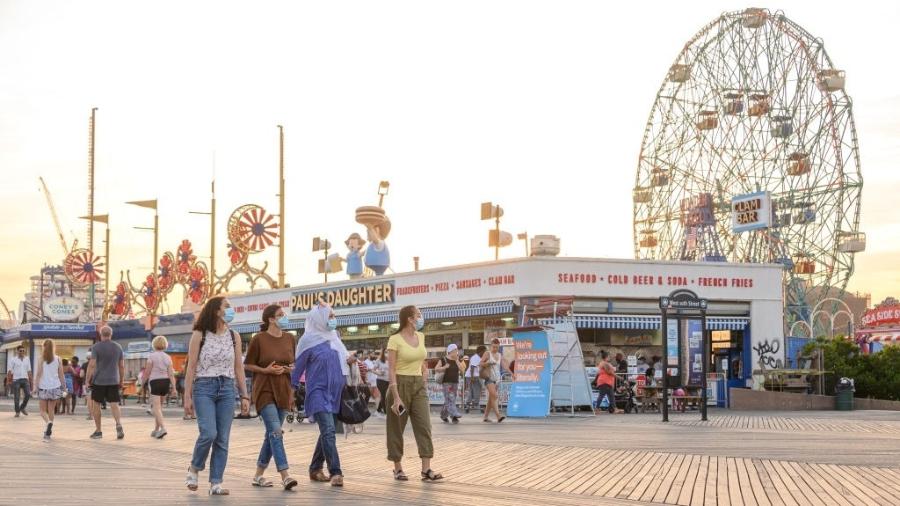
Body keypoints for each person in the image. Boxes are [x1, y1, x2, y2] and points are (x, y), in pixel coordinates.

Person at [184, 296, 251, 496]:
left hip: (227, 388)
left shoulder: (234, 336)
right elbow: (191, 367)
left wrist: (245, 396)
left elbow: (239, 367)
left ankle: (216, 482)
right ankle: (194, 468)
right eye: (227, 307)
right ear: (216, 310)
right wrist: (187, 396)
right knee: (209, 433)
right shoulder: (199, 334)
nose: (231, 310)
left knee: (222, 438)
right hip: (204, 386)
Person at [291, 302, 350, 487]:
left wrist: (352, 362)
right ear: (320, 319)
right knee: (329, 430)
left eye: (333, 316)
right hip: (318, 391)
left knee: (327, 430)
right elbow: (297, 368)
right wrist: (290, 394)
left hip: (336, 392)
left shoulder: (335, 338)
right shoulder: (307, 341)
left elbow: (342, 363)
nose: (333, 320)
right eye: (330, 316)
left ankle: (315, 468)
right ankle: (336, 472)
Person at [243, 304, 298, 491]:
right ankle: (285, 475)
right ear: (271, 319)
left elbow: (294, 363)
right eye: (280, 315)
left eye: (284, 314)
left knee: (271, 435)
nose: (284, 317)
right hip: (264, 389)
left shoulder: (290, 338)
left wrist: (290, 368)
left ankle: (258, 475)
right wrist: (265, 370)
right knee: (276, 432)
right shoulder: (258, 339)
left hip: (284, 389)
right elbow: (248, 365)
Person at [386, 305, 442, 482]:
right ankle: (397, 468)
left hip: (418, 386)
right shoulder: (394, 340)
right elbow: (392, 370)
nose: (421, 318)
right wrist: (396, 396)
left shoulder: (421, 336)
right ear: (409, 319)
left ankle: (426, 470)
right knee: (396, 428)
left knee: (424, 425)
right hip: (399, 385)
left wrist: (424, 370)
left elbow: (421, 358)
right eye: (418, 315)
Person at [86, 326, 125, 439]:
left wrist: (87, 380)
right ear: (111, 334)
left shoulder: (96, 347)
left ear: (100, 334)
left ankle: (98, 431)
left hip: (99, 381)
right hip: (113, 380)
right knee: (114, 404)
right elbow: (121, 366)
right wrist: (121, 380)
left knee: (96, 404)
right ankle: (118, 424)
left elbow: (92, 365)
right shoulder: (118, 347)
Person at [142, 335, 177, 439]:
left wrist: (142, 382)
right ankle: (156, 430)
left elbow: (147, 372)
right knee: (159, 408)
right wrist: (174, 388)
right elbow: (171, 374)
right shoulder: (168, 357)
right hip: (165, 383)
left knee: (156, 408)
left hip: (155, 382)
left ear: (154, 344)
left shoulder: (152, 356)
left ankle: (163, 428)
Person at [33, 339, 66, 442]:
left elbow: (38, 374)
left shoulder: (41, 359)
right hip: (55, 386)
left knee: (42, 411)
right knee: (51, 410)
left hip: (43, 387)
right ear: (53, 347)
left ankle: (48, 423)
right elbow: (61, 374)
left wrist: (35, 387)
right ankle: (48, 432)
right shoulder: (58, 359)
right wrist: (64, 387)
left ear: (43, 347)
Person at [480, 339, 507, 423]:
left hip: (497, 379)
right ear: (491, 346)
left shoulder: (499, 355)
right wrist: (488, 363)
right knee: (494, 396)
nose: (495, 349)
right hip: (488, 378)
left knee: (491, 399)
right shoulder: (487, 353)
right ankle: (498, 416)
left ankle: (485, 417)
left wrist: (511, 372)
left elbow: (504, 365)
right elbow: (480, 363)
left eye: (497, 347)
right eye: (494, 347)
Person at [436, 343, 464, 424]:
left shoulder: (457, 360)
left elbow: (462, 370)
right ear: (450, 351)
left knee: (451, 399)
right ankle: (454, 415)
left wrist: (457, 360)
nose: (456, 352)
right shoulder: (443, 359)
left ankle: (443, 415)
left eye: (457, 350)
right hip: (446, 382)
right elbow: (436, 369)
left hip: (455, 382)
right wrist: (444, 367)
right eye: (455, 350)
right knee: (450, 398)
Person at [7, 346, 32, 417]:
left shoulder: (27, 359)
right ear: (17, 351)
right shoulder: (13, 359)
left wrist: (31, 381)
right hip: (16, 380)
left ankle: (22, 408)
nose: (22, 352)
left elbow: (29, 370)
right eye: (20, 351)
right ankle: (17, 411)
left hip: (25, 379)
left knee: (27, 395)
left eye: (23, 351)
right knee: (17, 397)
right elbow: (9, 371)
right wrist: (8, 381)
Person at [465, 345, 485, 414]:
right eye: (484, 351)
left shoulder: (477, 357)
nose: (484, 353)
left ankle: (468, 404)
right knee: (477, 390)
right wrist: (472, 377)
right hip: (473, 376)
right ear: (481, 351)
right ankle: (476, 404)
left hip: (472, 376)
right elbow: (472, 367)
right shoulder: (475, 357)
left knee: (472, 390)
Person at [363, 349, 381, 415]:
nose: (373, 355)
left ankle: (377, 410)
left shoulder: (374, 362)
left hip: (375, 382)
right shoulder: (365, 362)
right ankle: (364, 411)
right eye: (372, 354)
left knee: (377, 396)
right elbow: (364, 370)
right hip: (369, 382)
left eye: (374, 353)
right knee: (366, 397)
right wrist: (369, 370)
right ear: (368, 355)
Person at [373, 347, 389, 415]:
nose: (387, 353)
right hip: (381, 380)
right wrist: (379, 373)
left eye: (388, 351)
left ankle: (378, 410)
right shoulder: (379, 360)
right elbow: (373, 370)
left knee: (385, 395)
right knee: (384, 395)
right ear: (383, 352)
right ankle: (386, 412)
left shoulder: (391, 359)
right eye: (386, 352)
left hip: (389, 381)